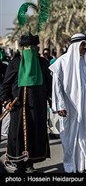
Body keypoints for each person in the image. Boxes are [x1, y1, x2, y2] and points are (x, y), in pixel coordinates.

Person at [49, 33, 86, 173]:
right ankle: (71, 166)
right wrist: (60, 105)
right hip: (70, 107)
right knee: (71, 136)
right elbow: (57, 85)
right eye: (82, 45)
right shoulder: (62, 62)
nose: (85, 47)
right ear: (75, 46)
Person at [0, 33, 52, 173]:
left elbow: (49, 84)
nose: (29, 49)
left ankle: (30, 163)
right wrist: (6, 101)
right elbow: (5, 85)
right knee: (18, 134)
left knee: (34, 134)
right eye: (26, 47)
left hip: (38, 106)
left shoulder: (42, 63)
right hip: (18, 106)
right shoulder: (15, 63)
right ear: (22, 49)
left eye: (32, 47)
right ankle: (19, 164)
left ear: (36, 48)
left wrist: (53, 101)